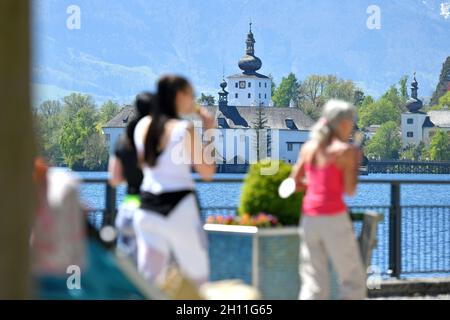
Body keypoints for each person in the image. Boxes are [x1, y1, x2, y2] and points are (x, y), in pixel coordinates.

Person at [133, 75, 216, 287]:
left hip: (147, 207)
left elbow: (144, 165)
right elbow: (207, 172)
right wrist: (209, 132)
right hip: (179, 207)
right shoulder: (183, 128)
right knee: (198, 280)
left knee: (150, 282)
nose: (194, 100)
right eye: (192, 95)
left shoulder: (142, 125)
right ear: (179, 95)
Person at [291, 99, 366, 300]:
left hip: (309, 219)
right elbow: (350, 190)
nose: (352, 126)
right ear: (342, 123)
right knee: (352, 280)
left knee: (314, 282)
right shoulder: (345, 151)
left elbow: (294, 182)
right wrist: (355, 162)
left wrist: (314, 186)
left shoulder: (308, 148)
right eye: (351, 121)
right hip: (334, 218)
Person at [108, 92, 154, 262]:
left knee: (129, 266)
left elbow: (114, 179)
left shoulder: (124, 143)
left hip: (130, 206)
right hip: (154, 208)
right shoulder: (159, 143)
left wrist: (131, 174)